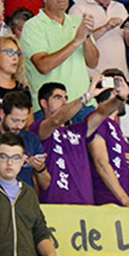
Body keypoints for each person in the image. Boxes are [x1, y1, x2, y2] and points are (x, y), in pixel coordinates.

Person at [34, 76, 127, 205]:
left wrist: (120, 98)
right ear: (43, 103)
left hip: (86, 207)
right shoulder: (37, 128)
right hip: (55, 206)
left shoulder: (77, 131)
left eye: (66, 97)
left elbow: (101, 113)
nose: (64, 102)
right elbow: (55, 121)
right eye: (58, 97)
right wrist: (87, 96)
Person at [70, 0, 128, 81]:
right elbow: (77, 42)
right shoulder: (78, 9)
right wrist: (105, 27)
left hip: (121, 76)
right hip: (95, 77)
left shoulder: (119, 7)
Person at [0, 91, 49, 189]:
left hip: (24, 200)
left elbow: (46, 184)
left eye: (23, 121)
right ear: (2, 114)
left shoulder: (31, 139)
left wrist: (40, 169)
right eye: (14, 120)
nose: (19, 126)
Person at [89, 71, 129, 206]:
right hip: (110, 203)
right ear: (115, 92)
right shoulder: (97, 122)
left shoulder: (116, 128)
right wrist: (125, 199)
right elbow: (101, 163)